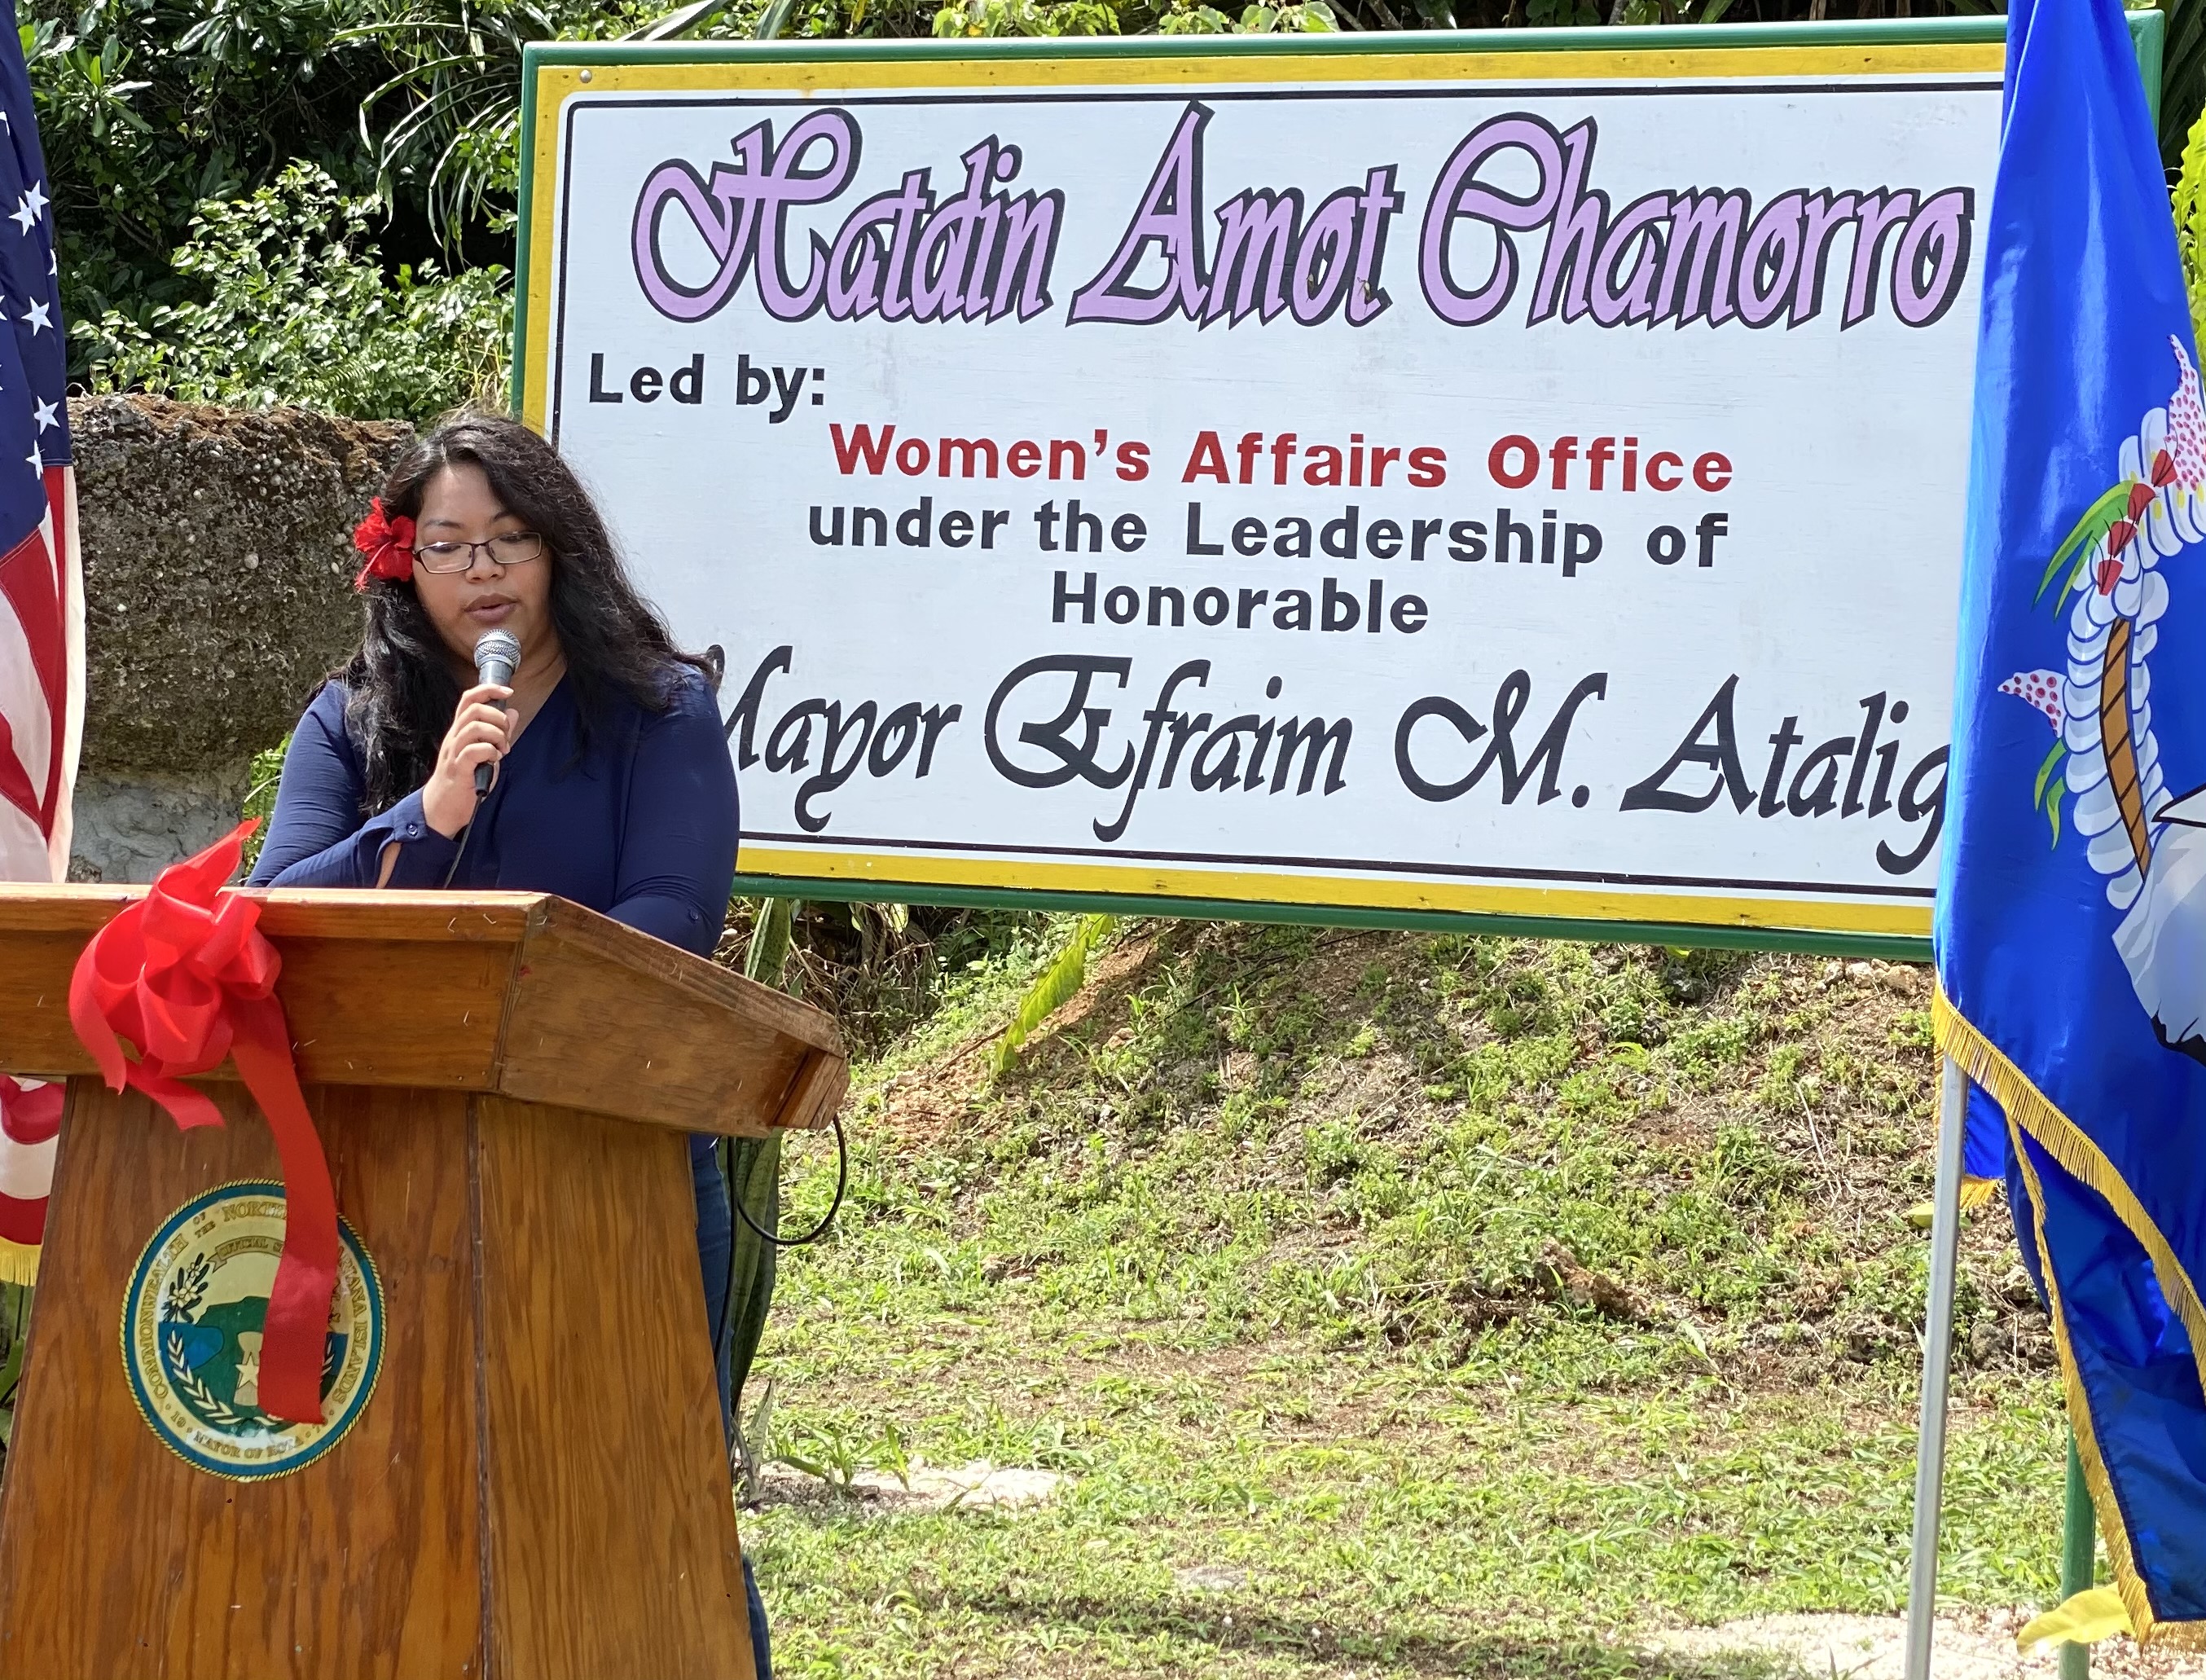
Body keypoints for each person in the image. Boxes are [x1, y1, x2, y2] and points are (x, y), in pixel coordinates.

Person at [248, 413, 770, 1675]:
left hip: (614, 1160)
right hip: (395, 1171)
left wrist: (513, 1010)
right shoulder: (351, 722)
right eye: (448, 545)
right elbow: (270, 915)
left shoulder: (659, 709)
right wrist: (425, 816)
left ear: (559, 551)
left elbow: (668, 923)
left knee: (648, 1484)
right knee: (407, 1484)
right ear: (406, 568)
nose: (482, 570)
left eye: (509, 538)